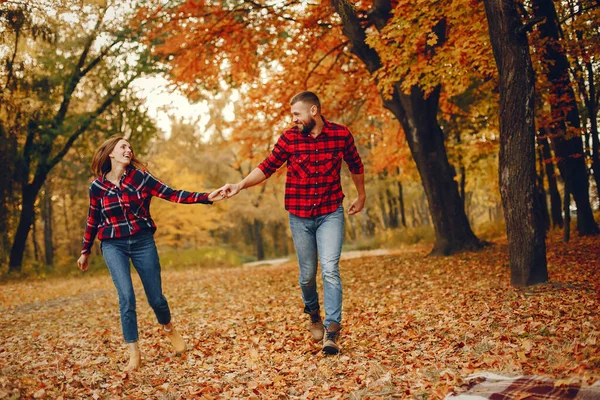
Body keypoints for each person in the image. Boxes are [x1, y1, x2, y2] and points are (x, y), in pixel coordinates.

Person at [218, 91, 365, 355]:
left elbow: (355, 164)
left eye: (297, 114)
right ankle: (313, 315)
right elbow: (267, 167)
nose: (293, 119)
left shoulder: (341, 135)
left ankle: (332, 330)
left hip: (331, 211)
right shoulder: (289, 138)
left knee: (330, 268)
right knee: (307, 274)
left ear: (313, 111)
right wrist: (240, 185)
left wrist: (361, 195)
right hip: (299, 215)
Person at [77, 135, 224, 371]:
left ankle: (168, 328)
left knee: (156, 298)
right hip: (113, 244)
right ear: (111, 153)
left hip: (142, 241)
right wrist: (85, 250)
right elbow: (92, 220)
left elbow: (173, 193)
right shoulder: (97, 187)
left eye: (130, 146)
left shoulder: (140, 177)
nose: (129, 149)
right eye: (123, 146)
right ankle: (134, 352)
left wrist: (205, 196)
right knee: (126, 296)